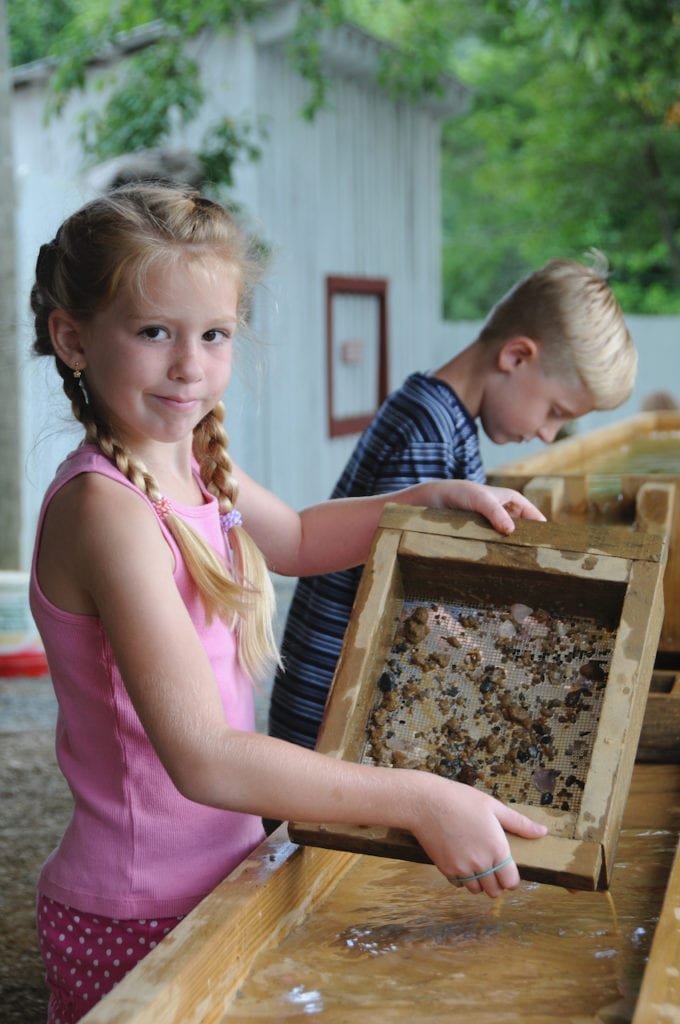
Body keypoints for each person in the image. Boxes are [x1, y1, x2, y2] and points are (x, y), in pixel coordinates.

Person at [29, 183, 548, 1023]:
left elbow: (302, 538)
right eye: (153, 331)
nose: (189, 364)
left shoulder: (192, 465)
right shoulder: (106, 511)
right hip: (136, 909)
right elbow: (204, 757)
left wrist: (422, 500)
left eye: (214, 335)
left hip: (221, 875)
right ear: (73, 338)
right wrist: (418, 796)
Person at [269, 256, 638, 749]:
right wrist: (514, 668)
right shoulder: (428, 434)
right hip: (331, 715)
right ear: (516, 356)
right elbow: (411, 598)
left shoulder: (443, 420)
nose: (548, 434)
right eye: (555, 412)